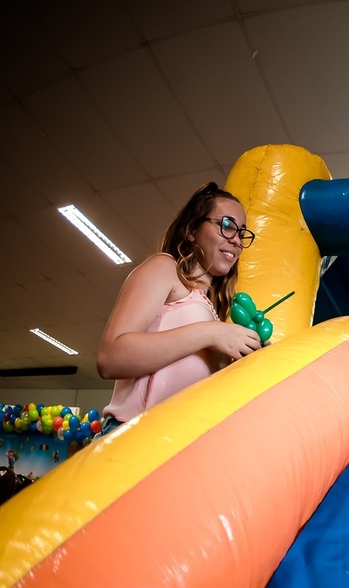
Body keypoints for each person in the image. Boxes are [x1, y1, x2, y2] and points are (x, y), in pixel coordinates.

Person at [97, 182, 262, 433]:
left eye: (242, 233)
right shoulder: (165, 268)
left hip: (174, 447)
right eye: (227, 225)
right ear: (192, 230)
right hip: (129, 437)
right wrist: (211, 332)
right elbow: (110, 359)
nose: (237, 241)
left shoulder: (213, 311)